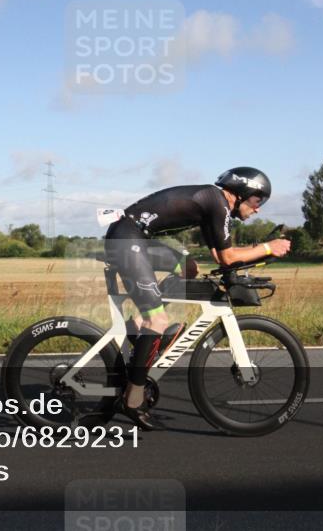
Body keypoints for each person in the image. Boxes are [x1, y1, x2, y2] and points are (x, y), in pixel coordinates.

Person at [103, 167, 292, 430]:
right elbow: (227, 257)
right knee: (157, 321)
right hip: (126, 239)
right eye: (257, 201)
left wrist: (261, 252)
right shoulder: (217, 202)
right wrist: (269, 247)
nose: (258, 209)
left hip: (130, 234)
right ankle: (132, 399)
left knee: (188, 267)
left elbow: (219, 255)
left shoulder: (215, 204)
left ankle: (137, 326)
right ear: (242, 193)